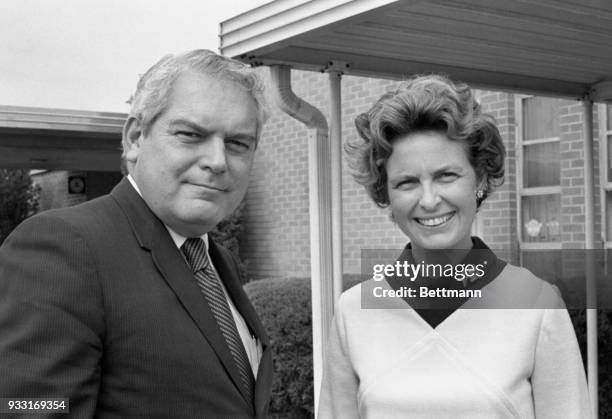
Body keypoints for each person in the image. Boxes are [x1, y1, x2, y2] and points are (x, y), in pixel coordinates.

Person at [0, 49, 272, 418]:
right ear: (135, 139)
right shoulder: (65, 248)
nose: (218, 161)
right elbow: (26, 407)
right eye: (191, 134)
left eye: (238, 143)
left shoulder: (214, 261)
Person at [318, 75, 592, 419]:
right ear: (385, 193)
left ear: (478, 178)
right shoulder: (353, 312)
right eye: (407, 182)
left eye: (447, 175)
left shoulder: (538, 306)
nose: (429, 200)